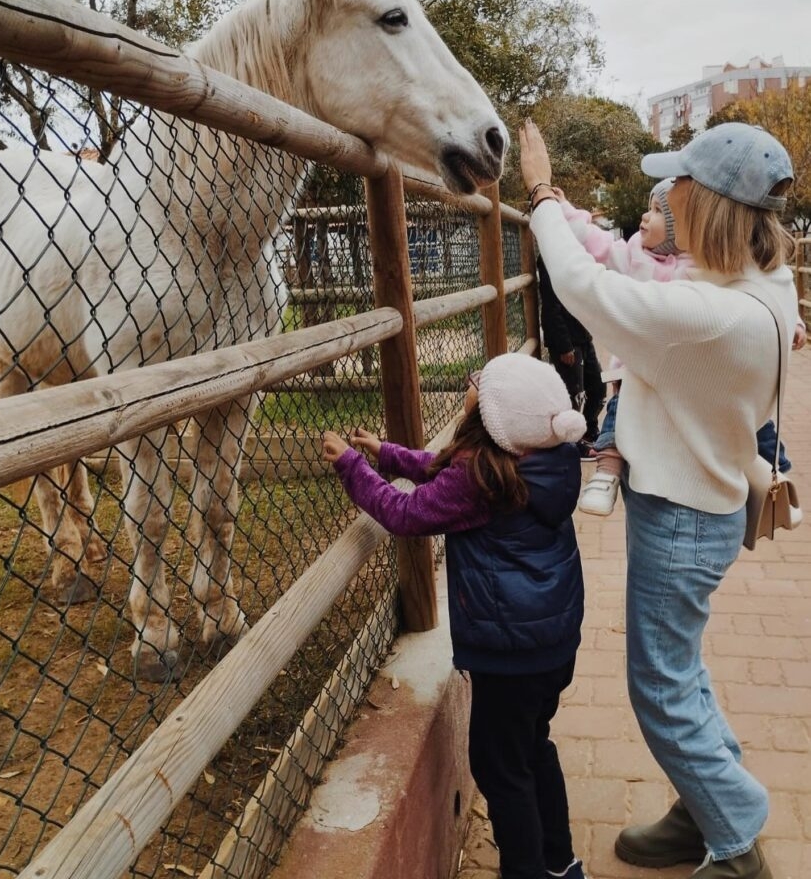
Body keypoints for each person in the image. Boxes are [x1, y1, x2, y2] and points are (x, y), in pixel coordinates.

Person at [521, 119, 798, 879]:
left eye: (677, 181)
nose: (666, 191)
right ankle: (699, 809)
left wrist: (542, 192)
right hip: (696, 507)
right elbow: (645, 276)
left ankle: (735, 845)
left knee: (660, 689)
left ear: (701, 203)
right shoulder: (760, 282)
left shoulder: (705, 318)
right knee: (683, 671)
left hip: (681, 517)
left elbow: (583, 286)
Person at [321, 353, 590, 879]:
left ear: (494, 420)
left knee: (499, 767)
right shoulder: (541, 461)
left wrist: (352, 467)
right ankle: (560, 864)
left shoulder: (480, 479)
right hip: (551, 645)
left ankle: (527, 871)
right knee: (533, 748)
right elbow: (441, 466)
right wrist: (389, 455)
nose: (472, 382)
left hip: (509, 656)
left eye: (481, 385)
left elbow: (406, 512)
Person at [556, 181, 805, 517]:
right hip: (636, 368)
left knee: (756, 420)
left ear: (682, 226)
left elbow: (766, 293)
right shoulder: (634, 256)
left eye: (659, 212)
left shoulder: (707, 265)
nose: (645, 217)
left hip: (699, 374)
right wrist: (562, 211)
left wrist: (796, 324)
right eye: (649, 207)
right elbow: (594, 242)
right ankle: (607, 473)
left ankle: (776, 477)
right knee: (618, 413)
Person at [537, 256, 606, 457]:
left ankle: (588, 430)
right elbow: (550, 305)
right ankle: (573, 444)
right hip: (567, 341)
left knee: (598, 386)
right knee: (573, 395)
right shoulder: (550, 257)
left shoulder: (574, 252)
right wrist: (563, 345)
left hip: (583, 336)